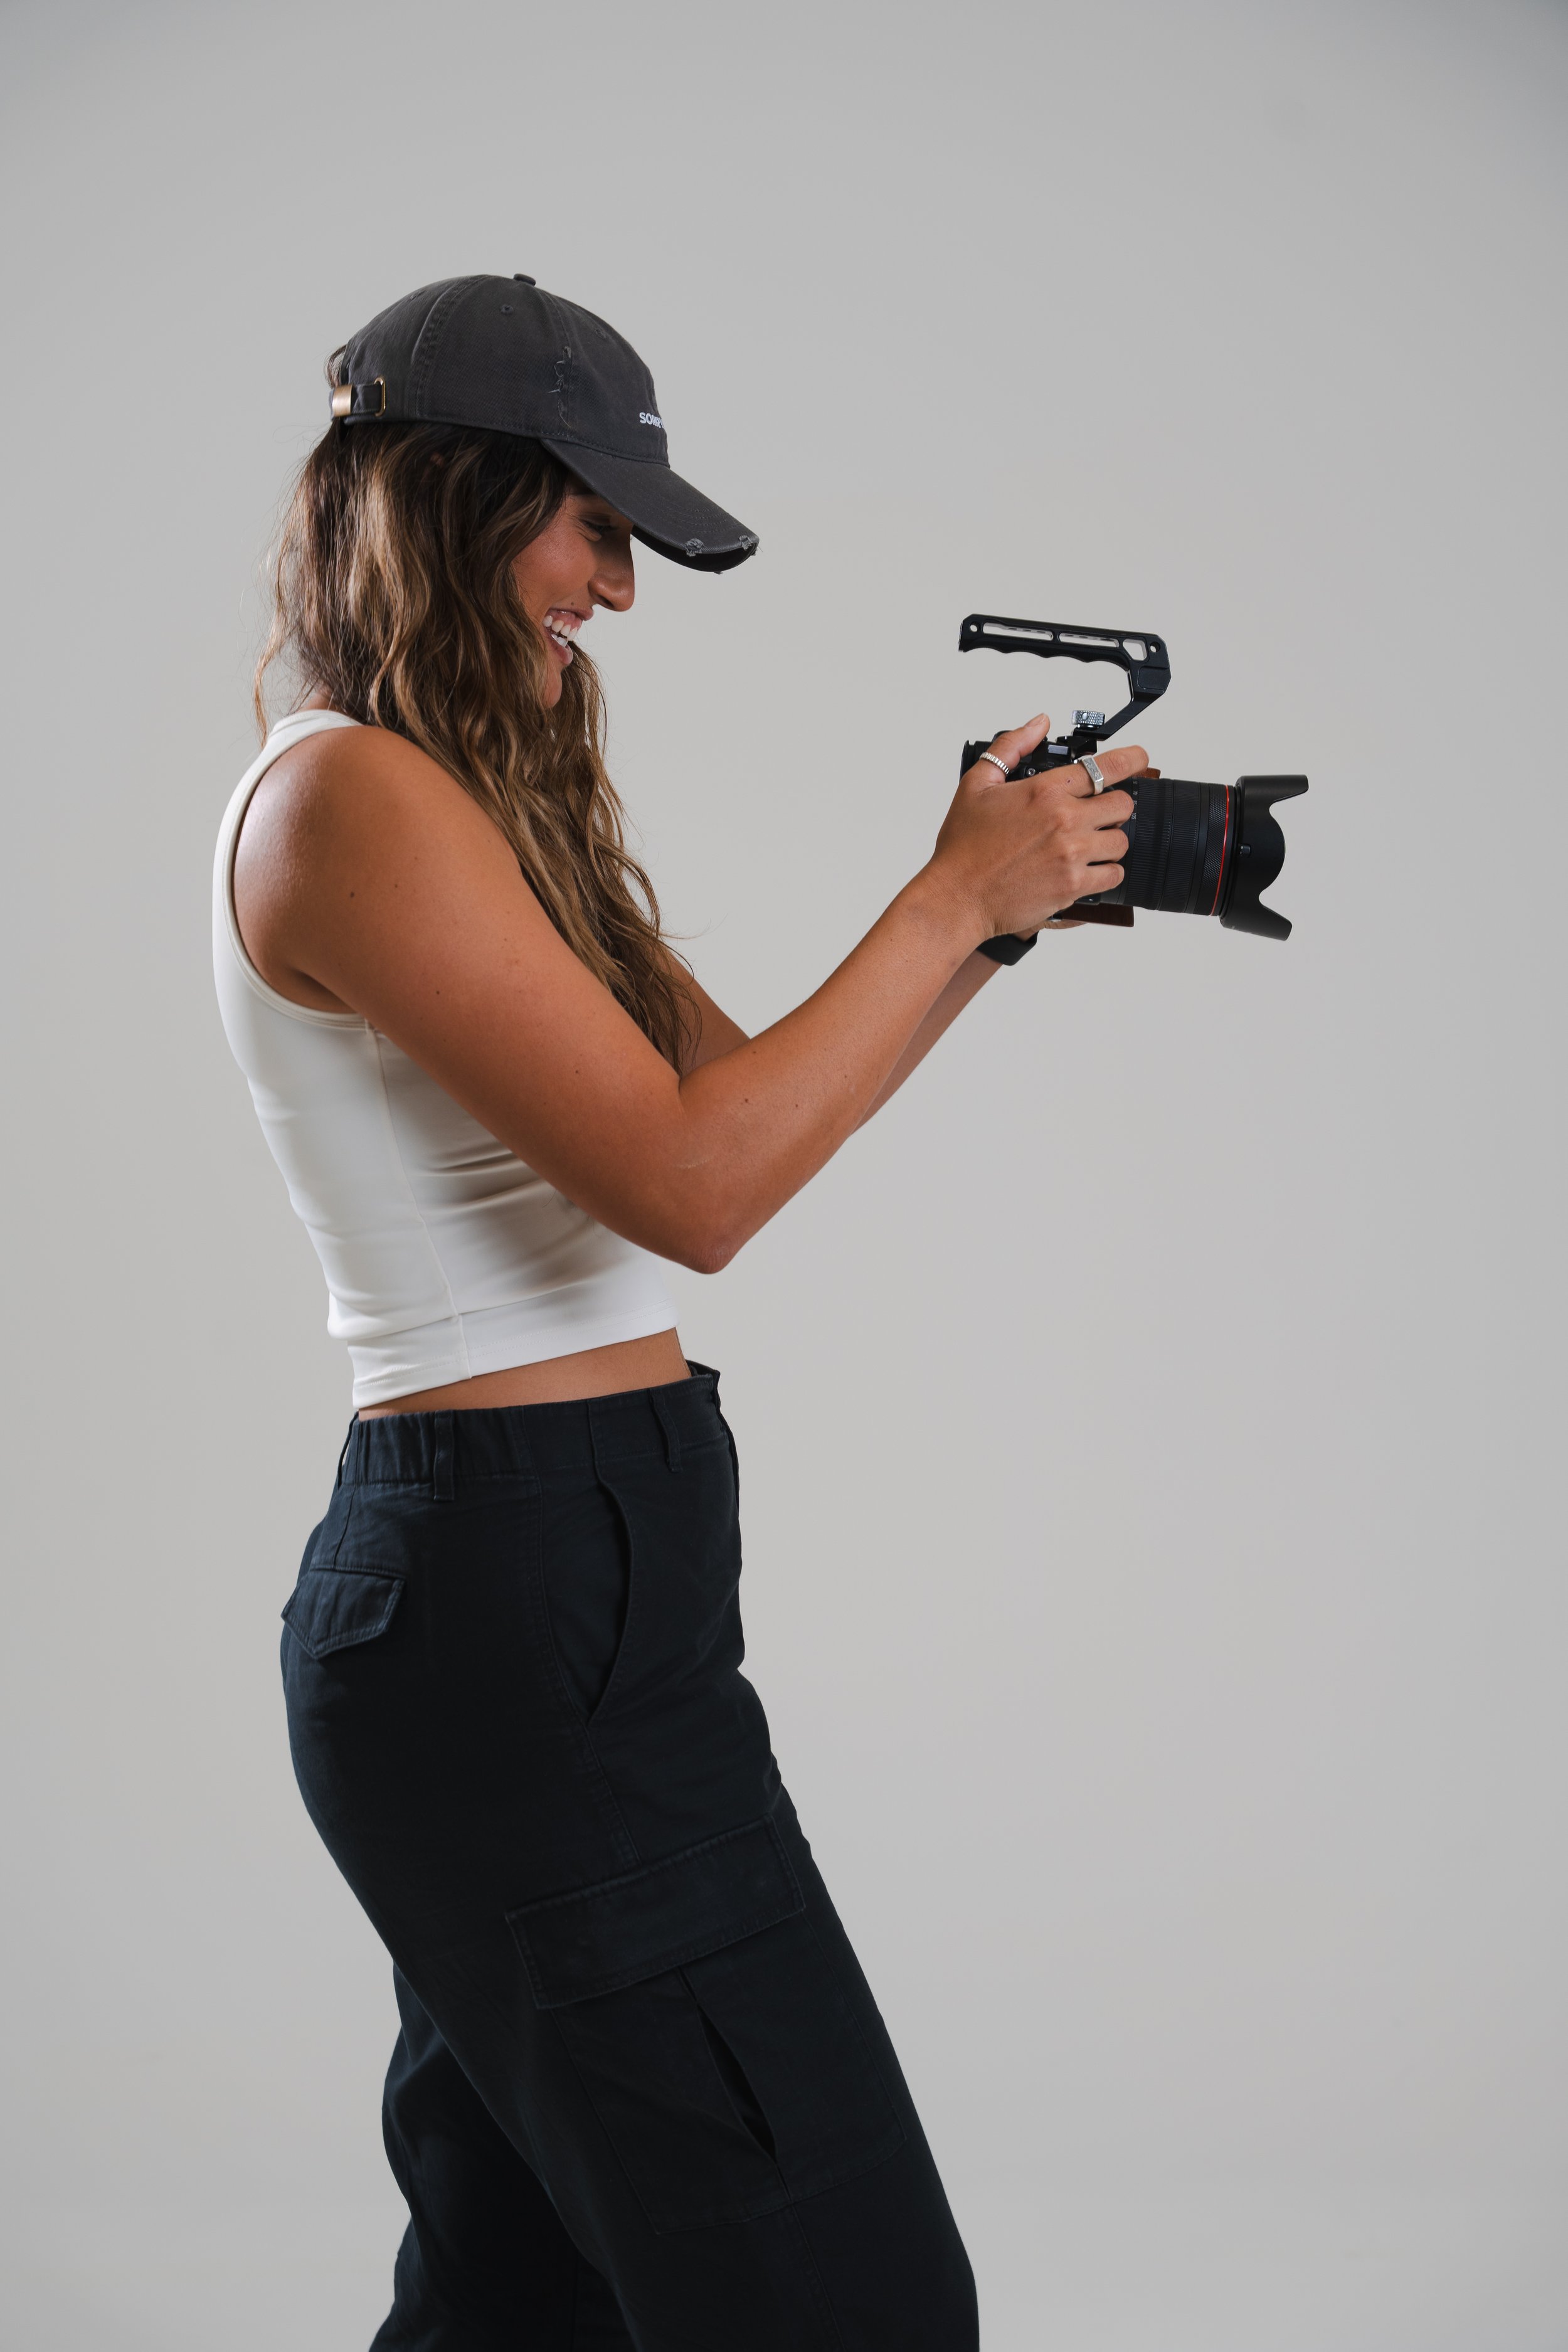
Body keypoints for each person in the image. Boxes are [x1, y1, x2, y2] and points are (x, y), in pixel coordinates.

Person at [214, 273, 1143, 2351]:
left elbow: (731, 1116)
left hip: (575, 1585)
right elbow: (699, 1190)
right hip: (507, 1589)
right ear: (454, 500)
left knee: (528, 2302)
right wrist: (945, 899)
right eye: (592, 528)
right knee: (843, 2298)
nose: (617, 592)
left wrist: (993, 912)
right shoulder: (347, 799)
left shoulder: (462, 813)